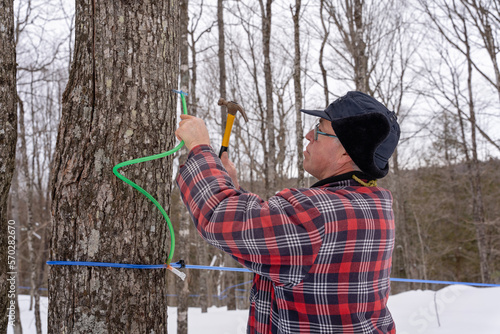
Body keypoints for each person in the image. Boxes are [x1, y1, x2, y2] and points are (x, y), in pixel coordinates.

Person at [175, 91, 400, 333]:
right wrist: (233, 187)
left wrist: (199, 148)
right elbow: (279, 233)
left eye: (320, 129)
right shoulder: (374, 204)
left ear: (347, 152)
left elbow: (221, 217)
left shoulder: (318, 214)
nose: (309, 135)